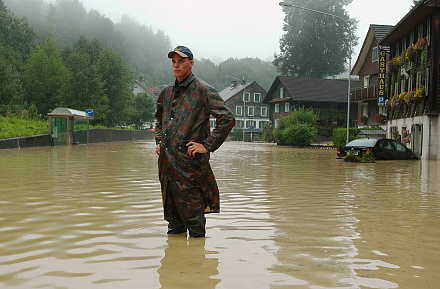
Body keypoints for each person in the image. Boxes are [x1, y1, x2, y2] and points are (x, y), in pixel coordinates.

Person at [154, 46, 235, 237]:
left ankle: (198, 262)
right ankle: (177, 262)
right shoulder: (165, 93)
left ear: (191, 63)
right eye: (173, 61)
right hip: (167, 166)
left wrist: (207, 145)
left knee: (194, 219)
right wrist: (160, 141)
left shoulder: (203, 90)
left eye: (181, 61)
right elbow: (159, 119)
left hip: (190, 167)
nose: (176, 65)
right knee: (173, 222)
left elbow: (227, 118)